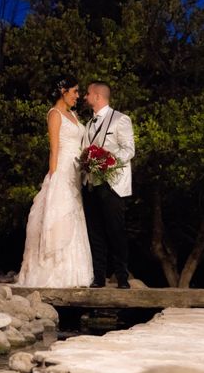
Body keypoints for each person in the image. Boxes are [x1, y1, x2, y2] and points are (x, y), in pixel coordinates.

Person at [17, 76, 93, 287]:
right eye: (75, 91)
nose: (78, 96)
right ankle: (52, 274)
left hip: (76, 171)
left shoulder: (74, 115)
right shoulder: (55, 114)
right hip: (62, 171)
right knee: (59, 216)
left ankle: (74, 275)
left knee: (74, 217)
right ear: (63, 91)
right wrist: (53, 177)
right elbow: (54, 148)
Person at [82, 81, 135, 289]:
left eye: (88, 94)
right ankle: (99, 277)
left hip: (113, 185)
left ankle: (122, 277)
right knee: (95, 232)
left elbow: (129, 149)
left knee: (116, 231)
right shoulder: (88, 124)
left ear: (97, 96)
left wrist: (108, 160)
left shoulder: (121, 119)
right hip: (92, 184)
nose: (85, 97)